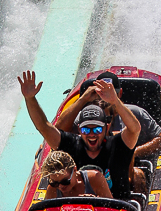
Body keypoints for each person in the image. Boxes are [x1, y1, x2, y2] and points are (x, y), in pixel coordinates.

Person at [17, 71, 141, 201]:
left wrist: (115, 101)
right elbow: (44, 127)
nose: (92, 134)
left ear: (107, 127)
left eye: (97, 129)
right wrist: (30, 98)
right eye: (86, 130)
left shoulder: (117, 144)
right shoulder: (71, 143)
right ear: (79, 130)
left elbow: (135, 129)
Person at [55, 70, 161, 190]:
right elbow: (57, 133)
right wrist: (83, 99)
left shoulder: (135, 113)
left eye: (109, 94)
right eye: (101, 94)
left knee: (137, 175)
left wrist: (133, 152)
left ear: (119, 94)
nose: (105, 99)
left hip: (124, 168)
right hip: (90, 166)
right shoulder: (86, 116)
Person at [40, 150, 112, 200]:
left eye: (65, 181)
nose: (60, 186)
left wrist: (95, 202)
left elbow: (113, 210)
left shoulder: (95, 178)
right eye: (55, 183)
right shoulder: (53, 190)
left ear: (74, 170)